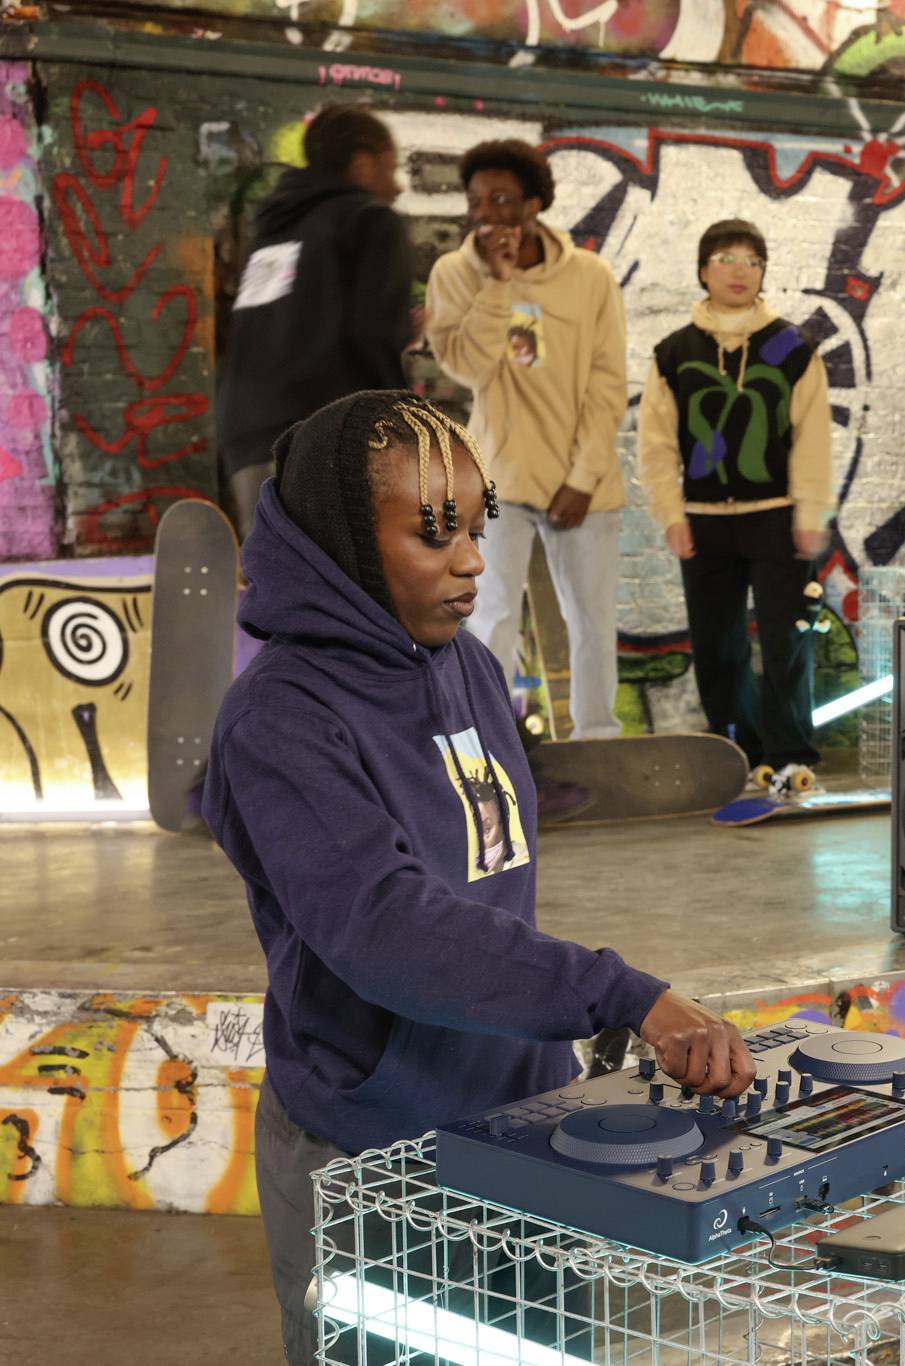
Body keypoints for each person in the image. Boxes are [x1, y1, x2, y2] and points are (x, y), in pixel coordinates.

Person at [202, 391, 756, 1364]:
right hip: (374, 1151)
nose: (469, 559)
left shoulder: (462, 664)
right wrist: (619, 994)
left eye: (474, 524)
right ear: (342, 543)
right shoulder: (278, 721)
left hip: (518, 1123)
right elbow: (389, 928)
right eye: (430, 533)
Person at [426, 139, 628, 743]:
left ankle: (597, 742)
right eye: (477, 201)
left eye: (502, 201)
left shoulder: (590, 277)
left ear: (534, 205)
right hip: (499, 479)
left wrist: (584, 476)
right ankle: (486, 743)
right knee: (489, 617)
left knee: (591, 622)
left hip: (581, 483)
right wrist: (497, 284)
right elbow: (467, 366)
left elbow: (608, 382)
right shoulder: (454, 274)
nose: (487, 214)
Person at [638, 219, 833, 790]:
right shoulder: (674, 353)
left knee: (785, 646)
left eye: (751, 260)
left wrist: (810, 514)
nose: (739, 270)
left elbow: (813, 439)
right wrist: (670, 514)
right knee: (718, 651)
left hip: (778, 518)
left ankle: (793, 757)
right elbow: (656, 443)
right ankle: (744, 758)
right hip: (704, 524)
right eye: (725, 258)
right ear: (703, 271)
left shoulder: (792, 348)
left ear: (763, 271)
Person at [214, 105, 413, 541]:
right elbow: (373, 335)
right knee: (346, 587)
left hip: (246, 434)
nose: (396, 187)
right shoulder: (369, 219)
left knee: (283, 586)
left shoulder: (272, 231)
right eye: (391, 168)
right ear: (362, 163)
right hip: (325, 436)